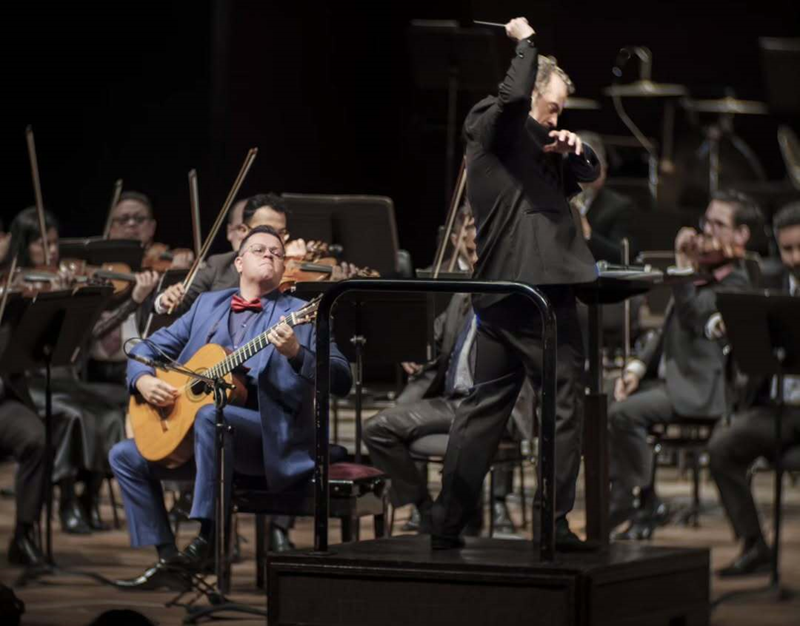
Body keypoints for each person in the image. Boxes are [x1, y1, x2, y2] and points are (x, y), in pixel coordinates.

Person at [430, 17, 601, 550]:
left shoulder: (545, 146)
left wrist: (574, 148)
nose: (557, 115)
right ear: (532, 92)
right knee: (565, 400)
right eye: (553, 105)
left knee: (484, 409)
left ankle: (446, 524)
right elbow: (509, 102)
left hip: (509, 295)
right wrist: (526, 44)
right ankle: (549, 524)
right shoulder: (493, 127)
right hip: (534, 294)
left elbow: (590, 174)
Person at [110, 225, 352, 590]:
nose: (270, 254)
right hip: (201, 440)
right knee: (124, 455)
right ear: (239, 262)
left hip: (267, 440)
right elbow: (144, 347)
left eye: (277, 251)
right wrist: (142, 379)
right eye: (259, 249)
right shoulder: (208, 304)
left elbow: (342, 378)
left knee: (212, 414)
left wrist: (296, 353)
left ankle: (209, 538)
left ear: (285, 266)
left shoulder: (302, 313)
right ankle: (169, 559)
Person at [608, 190, 761, 539]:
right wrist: (635, 367)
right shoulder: (700, 274)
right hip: (670, 381)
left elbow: (695, 319)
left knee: (623, 413)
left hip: (701, 389)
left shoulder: (738, 281)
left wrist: (681, 265)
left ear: (741, 236)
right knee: (603, 394)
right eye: (706, 221)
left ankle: (638, 504)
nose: (707, 230)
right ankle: (638, 500)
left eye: (719, 225)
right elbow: (665, 328)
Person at [9, 207, 127, 534]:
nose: (51, 252)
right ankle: (66, 501)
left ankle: (89, 495)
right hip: (28, 382)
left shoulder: (61, 279)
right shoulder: (14, 287)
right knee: (74, 415)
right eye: (41, 244)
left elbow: (86, 336)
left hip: (64, 379)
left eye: (54, 242)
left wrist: (71, 299)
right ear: (23, 245)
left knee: (111, 413)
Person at [708, 201, 800, 576]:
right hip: (780, 408)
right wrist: (723, 323)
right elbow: (744, 312)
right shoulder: (772, 281)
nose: (794, 258)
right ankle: (754, 544)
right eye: (787, 249)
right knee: (722, 448)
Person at [108, 191, 194, 271]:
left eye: (139, 219)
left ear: (152, 227)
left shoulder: (165, 262)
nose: (131, 223)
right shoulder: (99, 266)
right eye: (123, 219)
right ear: (111, 229)